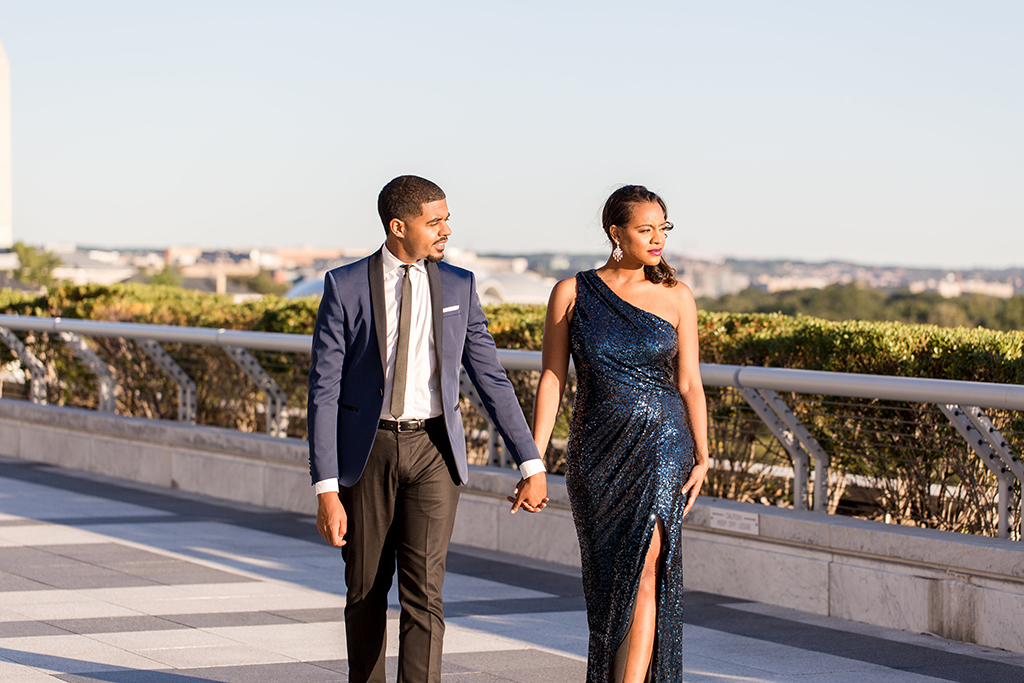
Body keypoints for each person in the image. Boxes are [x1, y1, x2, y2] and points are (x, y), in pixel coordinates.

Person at [308, 175, 548, 683]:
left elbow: (490, 376)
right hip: (367, 454)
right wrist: (326, 490)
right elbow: (324, 391)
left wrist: (531, 462)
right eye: (434, 221)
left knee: (425, 594)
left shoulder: (459, 285)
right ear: (399, 227)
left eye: (446, 219)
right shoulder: (345, 285)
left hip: (435, 450)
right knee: (366, 590)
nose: (446, 230)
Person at [532, 185, 709, 682]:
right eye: (645, 229)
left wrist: (704, 454)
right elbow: (552, 378)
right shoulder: (571, 293)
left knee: (649, 562)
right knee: (610, 580)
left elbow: (690, 382)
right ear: (616, 232)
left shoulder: (678, 296)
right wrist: (534, 459)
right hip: (595, 453)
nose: (658, 239)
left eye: (663, 229)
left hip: (662, 447)